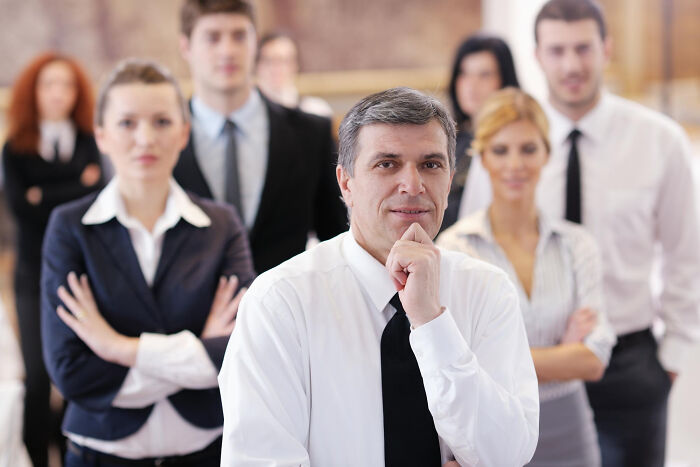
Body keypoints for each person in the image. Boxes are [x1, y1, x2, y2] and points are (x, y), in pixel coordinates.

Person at [218, 87, 539, 466]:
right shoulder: (280, 301)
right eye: (387, 164)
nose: (413, 185)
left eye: (431, 165)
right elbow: (259, 459)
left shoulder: (486, 290)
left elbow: (506, 454)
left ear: (450, 181)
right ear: (345, 183)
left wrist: (431, 322)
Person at [459, 1, 700, 465]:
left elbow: (685, 256)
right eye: (558, 50)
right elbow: (477, 246)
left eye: (583, 48)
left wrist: (669, 361)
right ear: (537, 55)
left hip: (630, 361)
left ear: (607, 49)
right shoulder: (510, 141)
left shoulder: (659, 140)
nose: (571, 65)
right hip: (530, 366)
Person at [41, 59, 256, 466]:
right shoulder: (70, 227)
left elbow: (239, 353)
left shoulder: (221, 224)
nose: (145, 139)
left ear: (183, 132)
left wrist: (117, 347)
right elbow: (72, 374)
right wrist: (194, 354)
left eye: (161, 121)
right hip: (101, 454)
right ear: (101, 135)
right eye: (126, 123)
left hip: (206, 452)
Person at [438, 87, 616, 466]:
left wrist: (496, 357)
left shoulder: (576, 245)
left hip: (571, 431)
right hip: (490, 435)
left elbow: (594, 359)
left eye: (528, 149)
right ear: (482, 157)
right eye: (501, 150)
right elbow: (452, 364)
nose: (515, 164)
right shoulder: (455, 249)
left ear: (547, 153)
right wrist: (563, 353)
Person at [174, 0, 347, 273]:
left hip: (290, 307)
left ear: (255, 43)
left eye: (239, 36)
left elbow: (337, 240)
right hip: (195, 314)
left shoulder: (310, 134)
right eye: (213, 37)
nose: (228, 51)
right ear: (186, 47)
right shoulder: (164, 139)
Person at [2, 52, 105, 467]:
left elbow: (93, 203)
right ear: (33, 92)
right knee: (37, 373)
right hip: (30, 273)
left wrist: (42, 194)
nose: (58, 94)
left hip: (81, 271)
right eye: (49, 85)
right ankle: (36, 457)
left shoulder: (90, 141)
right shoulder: (15, 147)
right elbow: (20, 211)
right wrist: (72, 187)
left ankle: (73, 454)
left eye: (67, 85)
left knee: (78, 368)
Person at [441, 34, 519, 231]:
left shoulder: (516, 145)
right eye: (464, 73)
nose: (471, 85)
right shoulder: (450, 141)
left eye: (484, 75)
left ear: (504, 80)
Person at [255, 32, 334, 118]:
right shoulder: (248, 113)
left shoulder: (316, 110)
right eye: (269, 61)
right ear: (257, 65)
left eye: (284, 61)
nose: (276, 68)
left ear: (295, 65)